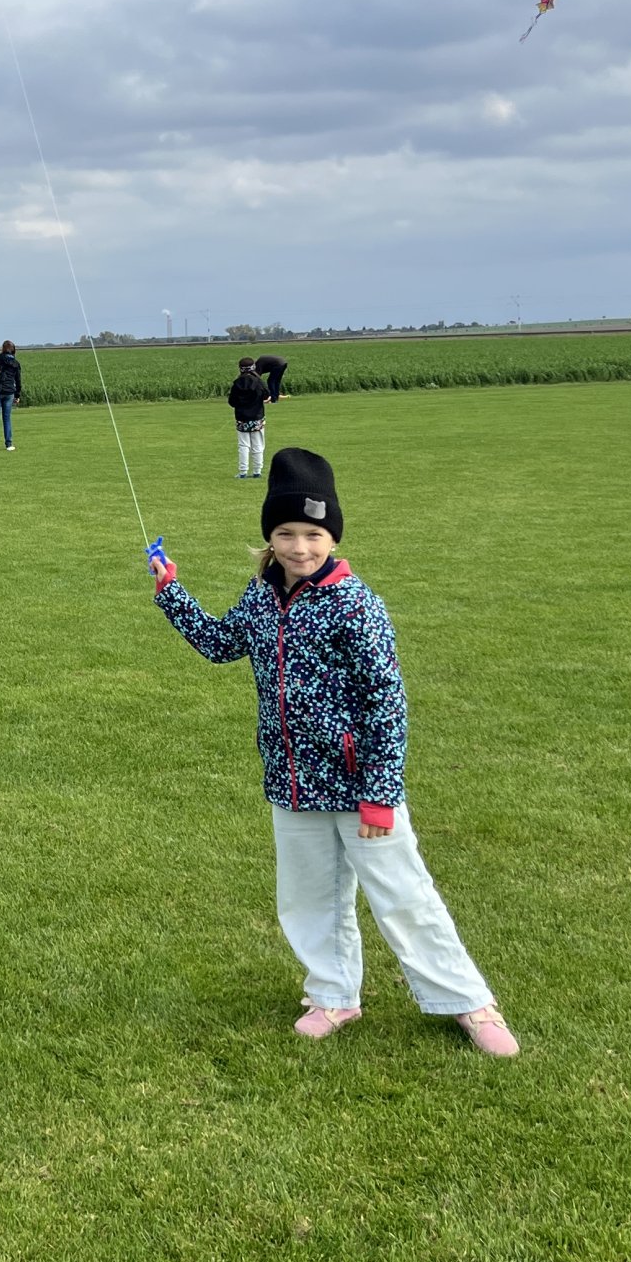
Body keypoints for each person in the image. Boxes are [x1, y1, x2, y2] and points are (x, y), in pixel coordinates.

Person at [148, 447, 517, 1057]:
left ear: (333, 537)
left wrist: (380, 793)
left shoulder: (355, 604)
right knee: (308, 897)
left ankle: (468, 1002)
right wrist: (171, 591)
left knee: (403, 896)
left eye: (313, 534)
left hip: (358, 786)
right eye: (286, 534)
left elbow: (385, 703)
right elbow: (220, 643)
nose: (299, 548)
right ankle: (334, 993)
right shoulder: (262, 596)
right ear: (269, 538)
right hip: (291, 782)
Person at [227, 356, 269, 478]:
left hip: (242, 418)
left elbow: (232, 402)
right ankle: (257, 471)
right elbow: (266, 395)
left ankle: (243, 472)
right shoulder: (258, 382)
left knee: (243, 445)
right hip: (257, 417)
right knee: (258, 445)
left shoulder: (237, 383)